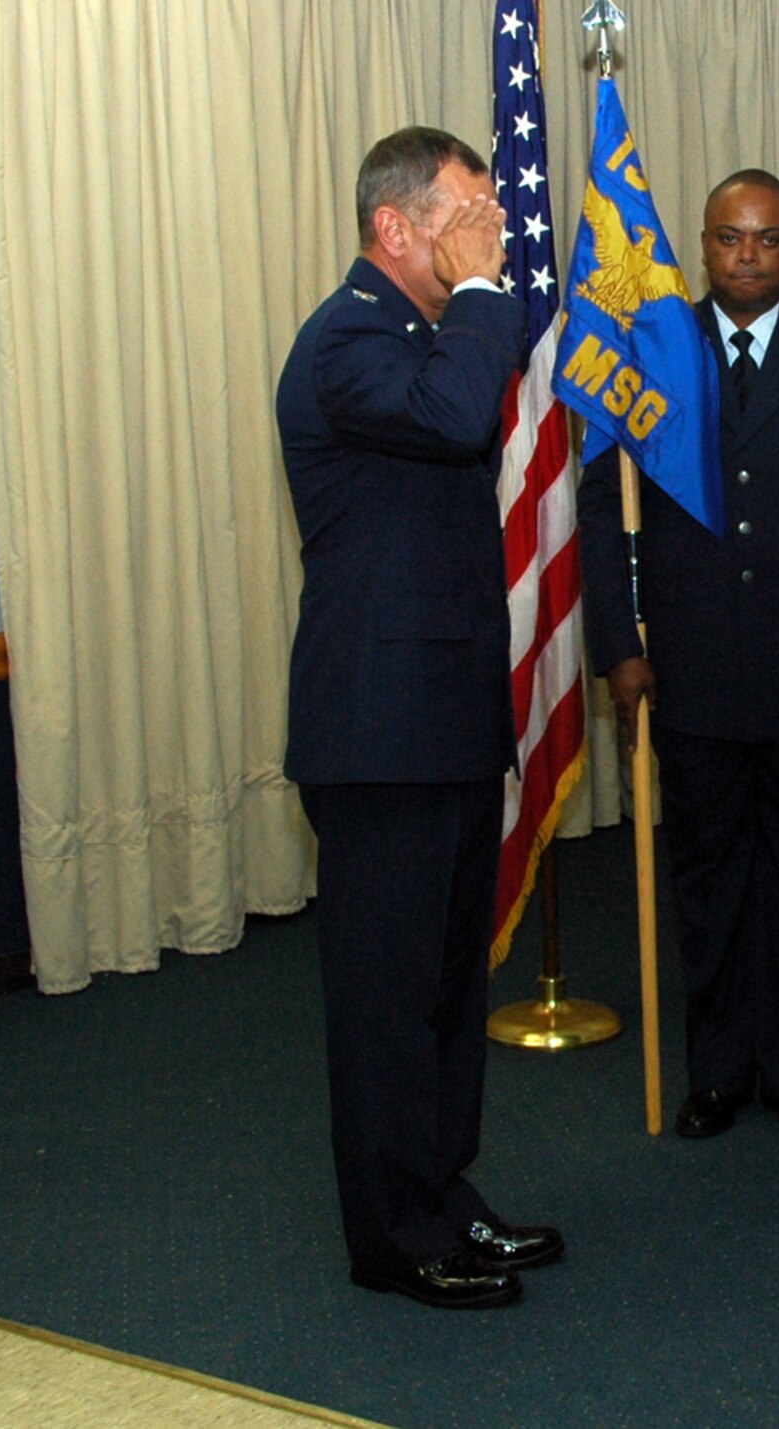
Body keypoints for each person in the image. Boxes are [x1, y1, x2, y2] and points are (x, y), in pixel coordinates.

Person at [276, 127, 563, 1309]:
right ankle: (395, 1236)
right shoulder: (347, 339)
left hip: (441, 715)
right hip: (376, 727)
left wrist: (478, 291)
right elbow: (455, 422)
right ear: (395, 227)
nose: (493, 227)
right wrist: (491, 288)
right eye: (469, 210)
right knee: (389, 997)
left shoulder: (423, 337)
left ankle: (446, 1195)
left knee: (446, 985)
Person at [579, 170, 779, 1141]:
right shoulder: (653, 353)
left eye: (766, 240)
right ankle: (717, 1069)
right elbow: (603, 510)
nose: (746, 257)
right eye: (727, 238)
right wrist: (616, 645)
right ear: (704, 244)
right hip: (691, 669)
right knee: (708, 878)